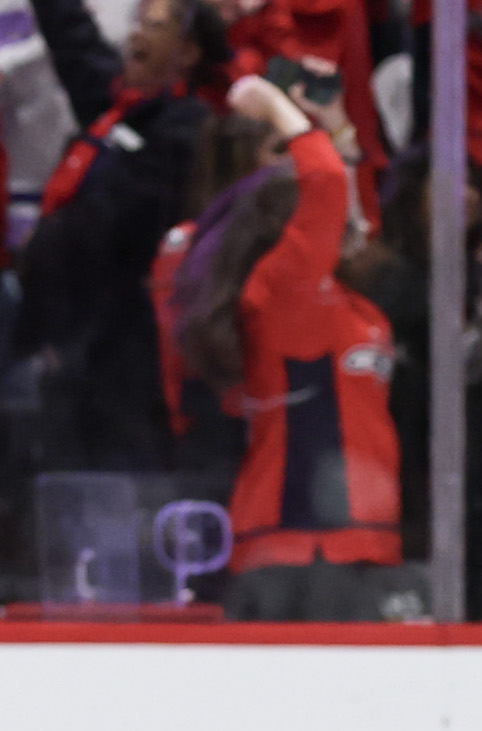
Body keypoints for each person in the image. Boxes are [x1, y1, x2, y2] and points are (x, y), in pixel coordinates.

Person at [164, 81, 407, 619]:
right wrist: (278, 107)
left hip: (364, 542)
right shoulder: (280, 295)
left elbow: (345, 199)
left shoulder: (352, 306)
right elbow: (324, 182)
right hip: (295, 544)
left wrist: (339, 130)